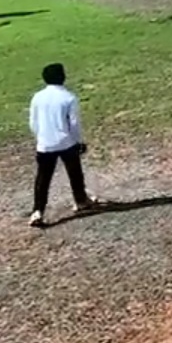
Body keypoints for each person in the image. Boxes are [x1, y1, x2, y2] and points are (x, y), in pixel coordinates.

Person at [28, 62, 104, 228]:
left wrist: (40, 138)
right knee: (75, 172)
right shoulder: (69, 97)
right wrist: (78, 142)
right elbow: (74, 124)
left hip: (45, 144)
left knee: (43, 178)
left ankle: (38, 210)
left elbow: (33, 122)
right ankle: (80, 200)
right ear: (63, 77)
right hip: (66, 142)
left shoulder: (37, 97)